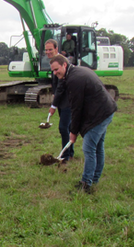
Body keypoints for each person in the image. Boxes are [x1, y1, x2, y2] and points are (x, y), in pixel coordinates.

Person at [50, 54, 117, 194]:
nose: (55, 73)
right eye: (53, 71)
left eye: (57, 69)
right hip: (105, 110)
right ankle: (94, 179)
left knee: (89, 148)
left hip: (100, 114)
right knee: (98, 147)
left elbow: (76, 108)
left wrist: (73, 132)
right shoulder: (75, 72)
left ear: (64, 65)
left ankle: (86, 183)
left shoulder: (75, 79)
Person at [44, 39, 74, 161]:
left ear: (56, 49)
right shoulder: (53, 63)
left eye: (50, 49)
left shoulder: (62, 63)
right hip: (62, 101)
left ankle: (65, 156)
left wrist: (54, 105)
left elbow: (61, 86)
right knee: (68, 127)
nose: (48, 52)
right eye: (46, 50)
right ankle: (70, 152)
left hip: (67, 101)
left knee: (63, 127)